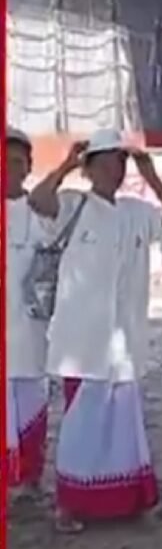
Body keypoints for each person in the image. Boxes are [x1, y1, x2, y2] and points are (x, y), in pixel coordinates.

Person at [30, 129, 162, 532]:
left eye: (121, 161)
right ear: (90, 168)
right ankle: (70, 504)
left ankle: (125, 498)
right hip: (83, 340)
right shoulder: (73, 204)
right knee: (81, 424)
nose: (116, 168)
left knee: (123, 426)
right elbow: (38, 201)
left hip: (124, 340)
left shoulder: (136, 211)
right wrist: (65, 164)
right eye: (108, 161)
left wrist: (152, 178)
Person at [5, 128, 51, 498]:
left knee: (31, 404)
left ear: (29, 166)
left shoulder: (41, 212)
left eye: (16, 161)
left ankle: (30, 477)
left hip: (31, 332)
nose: (9, 169)